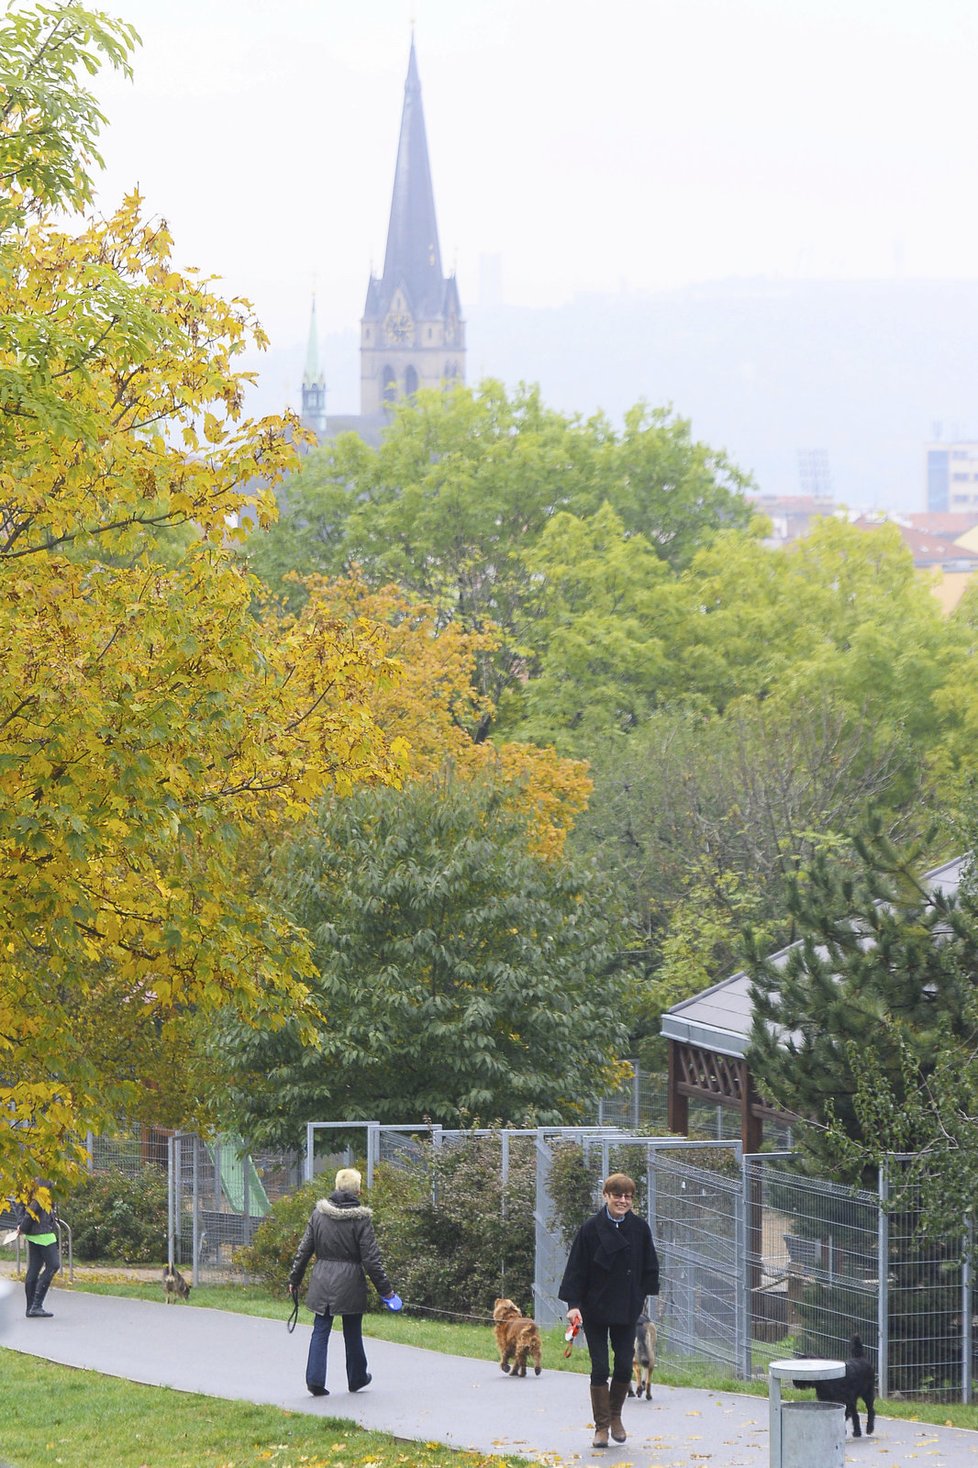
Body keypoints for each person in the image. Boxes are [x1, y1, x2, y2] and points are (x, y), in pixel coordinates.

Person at [558, 1171, 660, 1449]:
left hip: (627, 1308)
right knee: (600, 1367)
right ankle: (601, 1427)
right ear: (606, 1196)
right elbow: (576, 1269)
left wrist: (643, 1297)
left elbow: (649, 1265)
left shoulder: (639, 1228)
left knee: (625, 1365)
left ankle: (616, 1417)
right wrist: (573, 1306)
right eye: (617, 1195)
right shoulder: (590, 1229)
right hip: (594, 1308)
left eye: (627, 1196)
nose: (623, 1200)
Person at [288, 1166, 402, 1397]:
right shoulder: (361, 1220)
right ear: (358, 1191)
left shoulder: (318, 1214)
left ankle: (315, 1380)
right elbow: (371, 1260)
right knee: (352, 1331)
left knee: (320, 1330)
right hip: (350, 1282)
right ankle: (357, 1377)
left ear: (337, 1187)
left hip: (322, 1279)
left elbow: (304, 1249)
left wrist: (295, 1279)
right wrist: (387, 1292)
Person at [14, 1178, 61, 1319]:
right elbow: (35, 1207)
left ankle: (31, 1308)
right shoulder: (43, 1180)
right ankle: (36, 1305)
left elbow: (19, 1204)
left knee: (34, 1267)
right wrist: (23, 1226)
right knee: (53, 1265)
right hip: (43, 1232)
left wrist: (22, 1225)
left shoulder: (28, 1177)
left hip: (34, 1231)